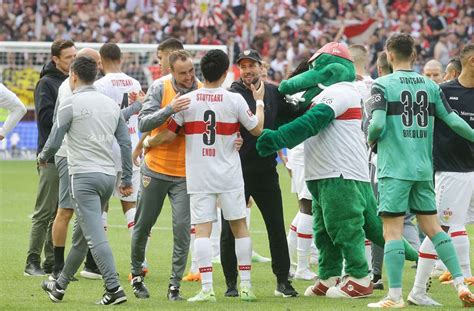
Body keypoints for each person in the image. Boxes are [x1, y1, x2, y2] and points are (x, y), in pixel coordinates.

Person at [147, 49, 264, 302]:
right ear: (225, 73)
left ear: (202, 72)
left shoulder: (188, 100)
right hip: (229, 175)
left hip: (200, 174)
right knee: (239, 226)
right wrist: (260, 102)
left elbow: (169, 134)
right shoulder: (234, 100)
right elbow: (257, 129)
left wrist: (146, 144)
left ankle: (207, 288)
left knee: (202, 229)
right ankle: (245, 286)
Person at [366, 33, 474, 308]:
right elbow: (453, 121)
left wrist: (370, 138)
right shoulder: (431, 86)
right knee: (435, 229)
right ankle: (461, 281)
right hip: (424, 168)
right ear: (414, 56)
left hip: (395, 168)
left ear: (389, 55)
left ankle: (394, 296)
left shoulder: (381, 85)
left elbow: (377, 125)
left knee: (392, 231)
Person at [38, 55, 133, 305]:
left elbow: (55, 139)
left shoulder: (70, 103)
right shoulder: (111, 105)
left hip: (83, 177)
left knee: (94, 236)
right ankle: (59, 286)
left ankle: (113, 288)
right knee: (81, 238)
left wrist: (43, 156)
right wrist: (127, 176)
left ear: (74, 76)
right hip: (107, 177)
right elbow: (124, 143)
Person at [221, 49, 299, 298]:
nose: (247, 70)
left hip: (266, 171)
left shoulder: (275, 92)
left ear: (261, 67)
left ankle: (283, 282)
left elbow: (295, 114)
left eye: (251, 65)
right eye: (243, 66)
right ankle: (231, 284)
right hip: (237, 172)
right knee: (228, 228)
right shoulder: (232, 94)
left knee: (276, 226)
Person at [129, 49, 199, 301]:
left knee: (181, 230)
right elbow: (143, 124)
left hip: (185, 174)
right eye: (183, 73)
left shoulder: (200, 90)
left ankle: (174, 287)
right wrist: (170, 108)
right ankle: (136, 275)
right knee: (143, 225)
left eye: (191, 70)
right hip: (155, 170)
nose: (189, 76)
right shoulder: (160, 88)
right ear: (171, 72)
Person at [407, 43, 474, 306]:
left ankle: (466, 280)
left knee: (452, 228)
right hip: (452, 172)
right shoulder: (444, 92)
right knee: (439, 231)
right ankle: (418, 290)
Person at [25, 39, 76, 276]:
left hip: (69, 154)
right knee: (44, 212)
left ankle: (50, 263)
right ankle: (31, 262)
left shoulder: (72, 82)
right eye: (69, 57)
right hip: (51, 155)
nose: (73, 61)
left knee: (59, 212)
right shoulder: (46, 83)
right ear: (56, 59)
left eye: (75, 56)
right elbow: (45, 118)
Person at [49, 48, 101, 281]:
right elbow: (65, 125)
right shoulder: (68, 89)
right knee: (66, 210)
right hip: (68, 154)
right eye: (96, 62)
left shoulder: (84, 87)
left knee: (85, 212)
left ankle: (84, 264)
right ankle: (57, 267)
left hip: (82, 155)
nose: (99, 67)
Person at [93, 42, 143, 265]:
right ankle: (140, 262)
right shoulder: (134, 83)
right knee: (130, 206)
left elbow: (107, 119)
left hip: (106, 150)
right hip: (131, 149)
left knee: (101, 206)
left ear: (100, 62)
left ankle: (99, 263)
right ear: (121, 59)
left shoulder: (100, 85)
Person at [284, 59, 316, 281]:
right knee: (308, 207)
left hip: (298, 152)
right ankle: (302, 266)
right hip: (304, 152)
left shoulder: (296, 91)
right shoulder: (307, 93)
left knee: (304, 208)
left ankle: (285, 261)